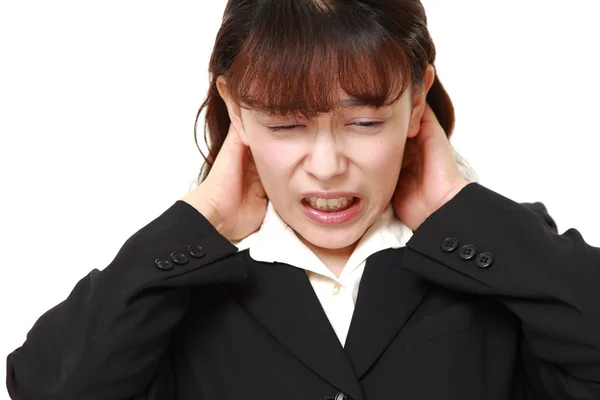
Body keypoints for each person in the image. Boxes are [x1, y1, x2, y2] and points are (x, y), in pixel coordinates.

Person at [6, 0, 600, 399]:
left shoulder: (499, 254)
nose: (326, 166)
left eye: (364, 122)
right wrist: (201, 220)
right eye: (286, 125)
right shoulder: (184, 280)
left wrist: (457, 205)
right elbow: (49, 388)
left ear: (417, 99)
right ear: (235, 107)